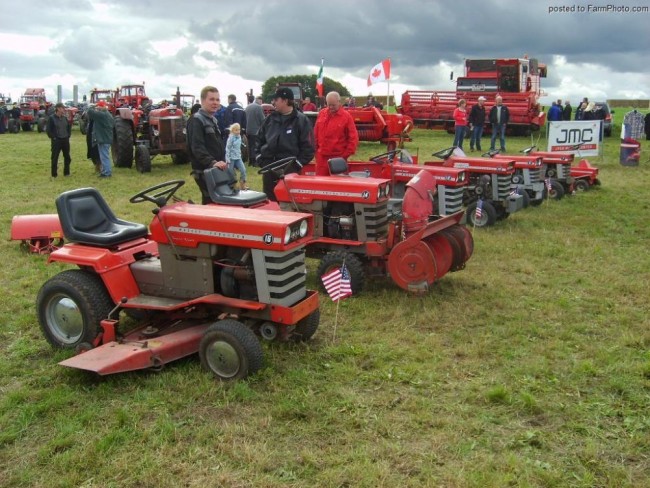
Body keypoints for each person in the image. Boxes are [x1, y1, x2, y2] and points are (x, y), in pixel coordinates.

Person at [256, 87, 315, 201]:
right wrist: (259, 157)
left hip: (289, 170)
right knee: (270, 202)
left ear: (285, 100)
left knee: (288, 202)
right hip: (269, 168)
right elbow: (259, 140)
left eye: (276, 100)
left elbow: (309, 147)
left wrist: (297, 164)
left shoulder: (301, 120)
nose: (273, 103)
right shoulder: (270, 119)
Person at [186, 86, 227, 204]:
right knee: (212, 201)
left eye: (217, 100)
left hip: (216, 168)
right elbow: (197, 147)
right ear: (203, 100)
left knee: (218, 202)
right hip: (204, 170)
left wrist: (222, 161)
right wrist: (212, 162)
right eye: (212, 99)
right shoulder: (196, 120)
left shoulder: (213, 120)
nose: (215, 103)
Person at [313, 91, 359, 176]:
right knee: (320, 185)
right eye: (328, 104)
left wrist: (344, 156)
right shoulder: (322, 114)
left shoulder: (346, 117)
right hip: (321, 158)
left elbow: (353, 138)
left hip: (338, 158)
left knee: (336, 187)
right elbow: (315, 134)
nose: (330, 107)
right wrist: (316, 152)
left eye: (333, 105)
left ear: (339, 102)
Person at [86, 100, 115, 177]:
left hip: (103, 139)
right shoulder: (109, 115)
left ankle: (107, 173)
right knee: (105, 156)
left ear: (100, 107)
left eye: (98, 107)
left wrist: (92, 106)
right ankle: (105, 171)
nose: (97, 109)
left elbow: (90, 112)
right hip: (107, 138)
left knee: (104, 156)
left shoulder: (102, 115)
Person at [46, 102, 72, 178]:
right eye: (62, 108)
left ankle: (66, 173)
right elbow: (48, 130)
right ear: (58, 108)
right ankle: (54, 174)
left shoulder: (64, 118)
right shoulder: (51, 118)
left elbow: (68, 127)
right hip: (56, 141)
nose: (64, 109)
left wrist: (68, 135)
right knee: (55, 157)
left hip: (65, 140)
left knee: (67, 157)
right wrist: (53, 138)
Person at [225, 122, 248, 190]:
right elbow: (228, 148)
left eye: (239, 129)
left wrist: (243, 145)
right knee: (231, 172)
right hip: (231, 158)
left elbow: (238, 145)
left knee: (243, 170)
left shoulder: (240, 137)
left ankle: (242, 184)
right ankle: (233, 185)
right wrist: (227, 158)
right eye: (236, 130)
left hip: (238, 157)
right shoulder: (231, 138)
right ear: (232, 130)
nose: (238, 131)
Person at [244, 96, 264, 166]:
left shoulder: (248, 107)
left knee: (250, 146)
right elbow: (262, 119)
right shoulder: (259, 107)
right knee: (256, 146)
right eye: (261, 101)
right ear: (259, 100)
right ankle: (255, 162)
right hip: (256, 130)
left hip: (248, 130)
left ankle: (250, 161)